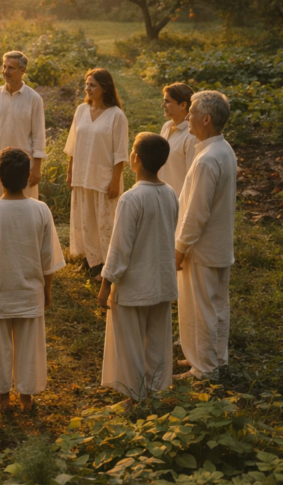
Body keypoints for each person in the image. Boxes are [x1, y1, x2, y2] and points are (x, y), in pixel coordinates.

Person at [0, 147, 65, 411]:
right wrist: (47, 291)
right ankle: (26, 398)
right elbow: (48, 260)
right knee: (29, 347)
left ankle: (3, 397)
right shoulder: (41, 210)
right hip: (29, 291)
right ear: (28, 177)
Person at [97, 133, 178, 402]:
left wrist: (107, 283)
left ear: (135, 159)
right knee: (156, 341)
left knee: (130, 344)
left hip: (134, 285)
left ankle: (135, 396)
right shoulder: (170, 194)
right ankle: (155, 391)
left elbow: (120, 247)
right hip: (162, 281)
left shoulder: (131, 199)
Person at [175, 90, 237, 380]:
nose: (188, 117)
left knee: (200, 309)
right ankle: (214, 357)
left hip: (202, 247)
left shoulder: (205, 160)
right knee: (217, 305)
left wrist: (180, 248)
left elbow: (196, 213)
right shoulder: (223, 150)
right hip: (220, 244)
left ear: (207, 119)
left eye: (192, 113)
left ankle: (204, 368)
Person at [65, 68, 128, 275]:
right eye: (86, 84)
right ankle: (90, 259)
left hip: (104, 176)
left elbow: (120, 152)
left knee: (105, 220)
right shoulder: (81, 110)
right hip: (82, 173)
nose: (87, 88)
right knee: (85, 217)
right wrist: (70, 171)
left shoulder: (116, 116)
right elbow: (73, 144)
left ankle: (107, 262)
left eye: (92, 85)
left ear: (105, 88)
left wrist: (115, 180)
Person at [0, 50, 46, 202]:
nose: (5, 71)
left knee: (25, 211)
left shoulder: (34, 99)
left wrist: (36, 167)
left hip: (24, 168)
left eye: (11, 68)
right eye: (4, 67)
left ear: (23, 70)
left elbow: (39, 135)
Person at [158, 83, 197, 197]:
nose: (162, 105)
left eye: (167, 101)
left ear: (183, 105)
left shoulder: (192, 135)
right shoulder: (166, 127)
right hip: (162, 197)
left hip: (179, 201)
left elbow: (193, 176)